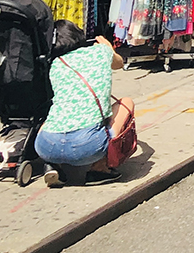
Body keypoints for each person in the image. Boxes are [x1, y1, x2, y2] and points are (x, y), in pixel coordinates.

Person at [36, 21, 135, 187]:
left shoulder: (55, 63)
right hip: (88, 147)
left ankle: (52, 165)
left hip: (45, 146)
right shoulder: (100, 51)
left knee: (53, 113)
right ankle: (100, 169)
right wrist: (108, 46)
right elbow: (119, 63)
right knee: (126, 103)